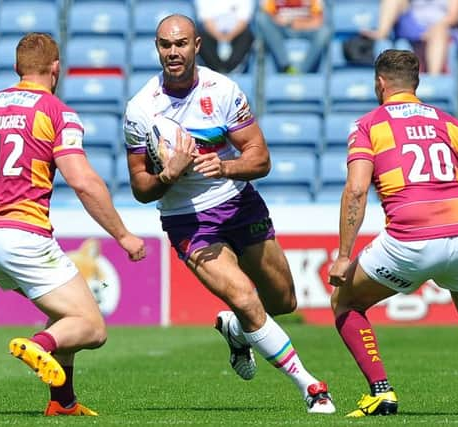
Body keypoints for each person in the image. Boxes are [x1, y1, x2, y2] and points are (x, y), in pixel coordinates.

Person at [123, 14, 335, 414]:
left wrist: (224, 167)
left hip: (239, 203)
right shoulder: (140, 109)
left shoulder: (222, 91)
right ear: (156, 48)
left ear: (197, 45)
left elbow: (261, 158)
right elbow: (140, 187)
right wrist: (168, 174)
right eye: (166, 45)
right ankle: (311, 387)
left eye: (181, 43)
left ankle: (237, 330)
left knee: (283, 301)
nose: (173, 52)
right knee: (244, 296)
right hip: (189, 218)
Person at [0, 33, 146, 417]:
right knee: (93, 328)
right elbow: (82, 181)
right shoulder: (56, 113)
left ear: (16, 69)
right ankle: (41, 344)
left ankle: (62, 401)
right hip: (23, 236)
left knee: (68, 311)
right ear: (56, 68)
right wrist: (123, 234)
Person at [327, 49, 458, 417]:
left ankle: (381, 391)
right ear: (417, 84)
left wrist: (344, 255)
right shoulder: (451, 124)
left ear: (380, 83)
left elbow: (357, 190)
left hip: (409, 241)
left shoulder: (368, 125)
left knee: (345, 302)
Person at [361, 0, 458, 75]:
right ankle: (382, 32)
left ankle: (434, 78)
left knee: (439, 33)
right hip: (414, 25)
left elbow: (453, 16)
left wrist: (432, 30)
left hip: (442, 27)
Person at [255, 0, 331, 74]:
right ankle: (286, 66)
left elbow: (318, 22)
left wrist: (292, 22)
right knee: (261, 18)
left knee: (325, 31)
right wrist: (278, 20)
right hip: (281, 29)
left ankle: (302, 72)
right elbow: (265, 14)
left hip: (305, 29)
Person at [195, 0, 255, 73]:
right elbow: (206, 21)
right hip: (212, 33)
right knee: (200, 36)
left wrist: (229, 36)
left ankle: (232, 69)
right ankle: (216, 69)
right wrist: (220, 37)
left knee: (247, 36)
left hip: (236, 32)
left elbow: (244, 20)